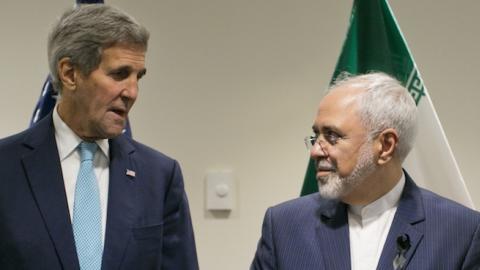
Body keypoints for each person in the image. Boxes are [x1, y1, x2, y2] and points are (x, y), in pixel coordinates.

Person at [0, 5, 198, 270]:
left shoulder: (159, 176)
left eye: (138, 77)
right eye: (119, 74)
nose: (132, 92)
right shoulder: (6, 167)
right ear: (70, 74)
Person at [251, 73, 480, 270]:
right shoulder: (284, 226)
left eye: (332, 136)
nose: (315, 152)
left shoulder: (461, 232)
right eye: (316, 136)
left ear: (386, 145)